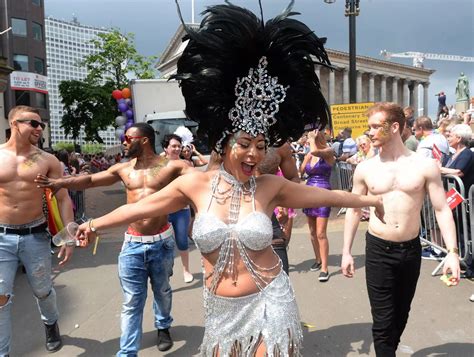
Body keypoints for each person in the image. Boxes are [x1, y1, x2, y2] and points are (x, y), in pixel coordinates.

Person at [74, 2, 386, 355]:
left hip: (271, 299)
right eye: (245, 144)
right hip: (221, 310)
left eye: (260, 145)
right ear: (223, 145)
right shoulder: (193, 184)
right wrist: (94, 224)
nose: (254, 154)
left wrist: (372, 201)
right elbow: (139, 209)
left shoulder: (270, 187)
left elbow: (330, 197)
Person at [36, 123, 193, 355]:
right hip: (132, 243)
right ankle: (127, 353)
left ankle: (163, 326)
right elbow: (90, 180)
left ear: (145, 140)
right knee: (131, 302)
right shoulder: (123, 169)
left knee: (162, 291)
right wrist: (60, 182)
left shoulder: (174, 166)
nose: (124, 142)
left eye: (129, 138)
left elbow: (199, 180)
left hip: (162, 242)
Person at [341, 102, 460, 357]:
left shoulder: (424, 166)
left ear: (394, 127)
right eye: (369, 126)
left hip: (410, 249)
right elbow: (353, 209)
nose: (369, 132)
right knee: (383, 321)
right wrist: (346, 252)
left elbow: (441, 209)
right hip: (378, 249)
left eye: (375, 126)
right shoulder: (365, 168)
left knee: (400, 314)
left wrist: (451, 251)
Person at [0, 106, 75, 355]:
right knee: (0, 299)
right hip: (2, 238)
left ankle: (51, 324)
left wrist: (68, 237)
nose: (39, 128)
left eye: (40, 123)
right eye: (33, 123)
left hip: (35, 236)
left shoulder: (47, 160)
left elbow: (63, 199)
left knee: (43, 291)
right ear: (14, 123)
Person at [256, 142, 300, 275]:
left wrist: (284, 203)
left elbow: (293, 178)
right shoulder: (228, 140)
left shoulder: (280, 145)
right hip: (238, 218)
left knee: (280, 279)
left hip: (272, 216)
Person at [300, 129, 335, 281]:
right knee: (312, 231)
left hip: (323, 194)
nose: (307, 141)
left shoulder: (328, 151)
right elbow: (301, 172)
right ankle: (318, 259)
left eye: (309, 138)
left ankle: (325, 268)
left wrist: (312, 142)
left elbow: (316, 152)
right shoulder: (310, 153)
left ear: (317, 138)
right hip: (309, 193)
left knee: (321, 233)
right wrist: (305, 161)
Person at [162, 133, 195, 283]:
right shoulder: (159, 164)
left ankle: (186, 270)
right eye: (173, 146)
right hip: (163, 210)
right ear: (166, 148)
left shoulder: (187, 164)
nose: (176, 149)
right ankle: (165, 270)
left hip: (182, 210)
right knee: (164, 243)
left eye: (178, 146)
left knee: (182, 240)